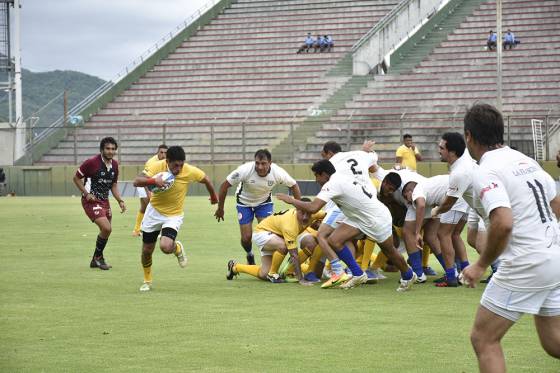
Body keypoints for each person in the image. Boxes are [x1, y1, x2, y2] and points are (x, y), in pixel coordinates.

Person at [460, 103, 560, 371]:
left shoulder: (485, 170)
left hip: (526, 263)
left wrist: (480, 265)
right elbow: (557, 205)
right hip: (553, 258)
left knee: (483, 338)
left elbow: (503, 223)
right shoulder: (526, 160)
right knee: (554, 342)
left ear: (469, 136)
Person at [277, 159, 417, 291]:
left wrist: (291, 200)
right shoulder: (342, 177)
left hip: (375, 218)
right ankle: (357, 274)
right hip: (359, 217)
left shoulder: (332, 184)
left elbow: (313, 207)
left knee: (389, 250)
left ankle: (409, 275)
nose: (316, 180)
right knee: (334, 240)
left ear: (324, 174)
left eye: (316, 176)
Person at [133, 145, 218, 292]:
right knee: (147, 250)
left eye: (181, 164)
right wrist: (153, 182)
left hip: (173, 215)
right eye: (175, 165)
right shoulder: (156, 166)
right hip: (154, 212)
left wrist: (213, 196)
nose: (178, 169)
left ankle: (176, 247)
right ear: (167, 161)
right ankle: (147, 280)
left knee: (166, 247)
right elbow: (136, 181)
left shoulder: (189, 171)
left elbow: (207, 180)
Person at [214, 149, 301, 265]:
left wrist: (299, 208)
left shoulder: (278, 172)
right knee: (246, 238)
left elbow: (294, 185)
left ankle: (267, 264)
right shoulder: (244, 170)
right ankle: (249, 254)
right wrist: (220, 209)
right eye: (257, 163)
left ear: (270, 163)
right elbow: (224, 186)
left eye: (263, 163)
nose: (260, 167)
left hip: (264, 203)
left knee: (269, 235)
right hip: (244, 203)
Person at [316, 140, 381, 287]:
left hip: (344, 205)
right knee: (347, 240)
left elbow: (321, 201)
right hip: (366, 202)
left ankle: (338, 271)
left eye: (324, 155)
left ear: (330, 153)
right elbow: (373, 158)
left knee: (322, 235)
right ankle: (354, 272)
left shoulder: (330, 165)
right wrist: (365, 150)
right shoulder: (360, 155)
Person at [226, 201, 321, 286]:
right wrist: (301, 279)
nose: (305, 216)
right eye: (302, 212)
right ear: (296, 210)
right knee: (283, 246)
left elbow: (328, 214)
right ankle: (274, 274)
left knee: (264, 274)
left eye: (308, 213)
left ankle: (235, 267)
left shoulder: (314, 214)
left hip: (274, 236)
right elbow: (294, 254)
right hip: (262, 233)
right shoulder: (290, 225)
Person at [401, 174, 469, 287]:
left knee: (443, 235)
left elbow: (421, 205)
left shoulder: (417, 190)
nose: (407, 201)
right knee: (454, 235)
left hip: (455, 198)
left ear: (409, 191)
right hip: (464, 196)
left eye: (405, 196)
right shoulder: (428, 186)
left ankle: (449, 276)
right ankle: (463, 273)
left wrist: (417, 232)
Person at [72, 137, 126, 270]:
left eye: (113, 149)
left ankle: (96, 259)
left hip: (105, 201)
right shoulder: (91, 162)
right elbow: (76, 178)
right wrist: (86, 193)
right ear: (102, 149)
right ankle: (97, 258)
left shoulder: (114, 165)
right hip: (91, 201)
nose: (110, 151)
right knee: (107, 228)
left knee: (106, 231)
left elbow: (113, 185)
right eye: (107, 148)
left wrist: (120, 200)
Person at [132, 144, 168, 236]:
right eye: (161, 152)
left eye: (165, 153)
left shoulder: (167, 162)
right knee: (147, 204)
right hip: (143, 184)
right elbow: (145, 178)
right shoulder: (152, 162)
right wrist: (148, 192)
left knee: (151, 206)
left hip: (153, 185)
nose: (163, 155)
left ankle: (140, 229)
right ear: (157, 153)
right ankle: (139, 229)